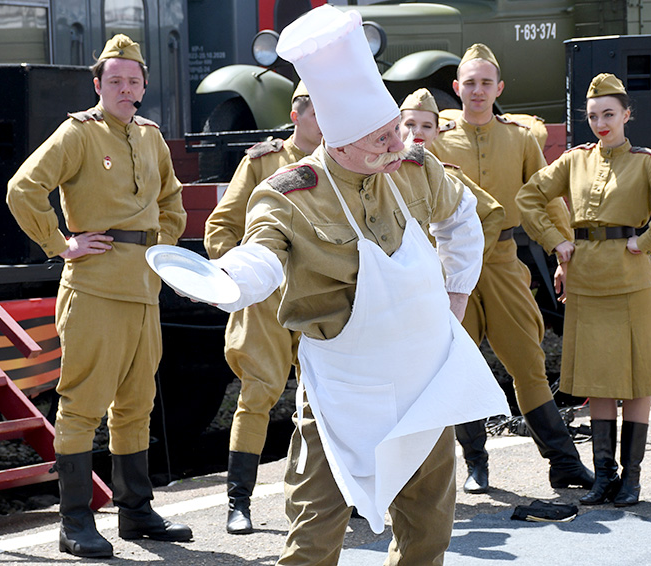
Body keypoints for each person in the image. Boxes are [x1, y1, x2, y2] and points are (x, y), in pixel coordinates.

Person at [186, 6, 509, 564]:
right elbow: (261, 253)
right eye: (378, 140)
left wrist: (456, 294)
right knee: (313, 537)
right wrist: (228, 282)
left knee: (429, 532)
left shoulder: (413, 167)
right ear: (338, 141)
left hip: (422, 382)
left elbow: (461, 217)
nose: (395, 146)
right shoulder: (290, 191)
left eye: (394, 132)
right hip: (342, 392)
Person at [6, 34, 191, 558]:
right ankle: (75, 521)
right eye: (115, 81)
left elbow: (172, 200)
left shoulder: (151, 136)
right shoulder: (78, 134)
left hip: (144, 288)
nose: (125, 89)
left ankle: (135, 513)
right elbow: (23, 187)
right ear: (98, 86)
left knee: (136, 403)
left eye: (133, 81)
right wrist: (60, 243)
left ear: (144, 87)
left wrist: (166, 250)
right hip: (94, 286)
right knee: (84, 404)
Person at [517, 73, 651, 506]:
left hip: (630, 277)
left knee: (637, 382)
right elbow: (528, 198)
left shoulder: (644, 161)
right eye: (594, 116)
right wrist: (555, 240)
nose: (601, 123)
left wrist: (647, 240)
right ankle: (604, 477)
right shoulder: (574, 160)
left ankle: (631, 480)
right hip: (586, 279)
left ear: (626, 115)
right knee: (598, 382)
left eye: (609, 115)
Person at [430, 43, 594, 494]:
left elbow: (545, 198)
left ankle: (563, 463)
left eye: (486, 83)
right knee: (456, 366)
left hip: (504, 262)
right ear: (456, 87)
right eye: (470, 83)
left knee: (528, 362)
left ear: (498, 88)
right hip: (448, 270)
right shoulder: (436, 139)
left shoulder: (520, 139)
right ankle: (475, 465)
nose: (478, 91)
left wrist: (565, 252)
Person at [203, 81, 322, 535]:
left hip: (319, 297)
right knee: (256, 395)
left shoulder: (341, 163)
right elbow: (223, 224)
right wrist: (234, 275)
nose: (326, 120)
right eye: (316, 111)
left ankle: (328, 496)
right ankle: (239, 502)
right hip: (268, 297)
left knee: (326, 399)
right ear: (296, 114)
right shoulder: (263, 161)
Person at [399, 87, 505, 261]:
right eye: (410, 124)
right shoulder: (380, 174)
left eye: (427, 126)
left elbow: (492, 213)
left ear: (437, 132)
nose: (417, 131)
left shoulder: (448, 176)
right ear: (397, 128)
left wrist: (465, 268)